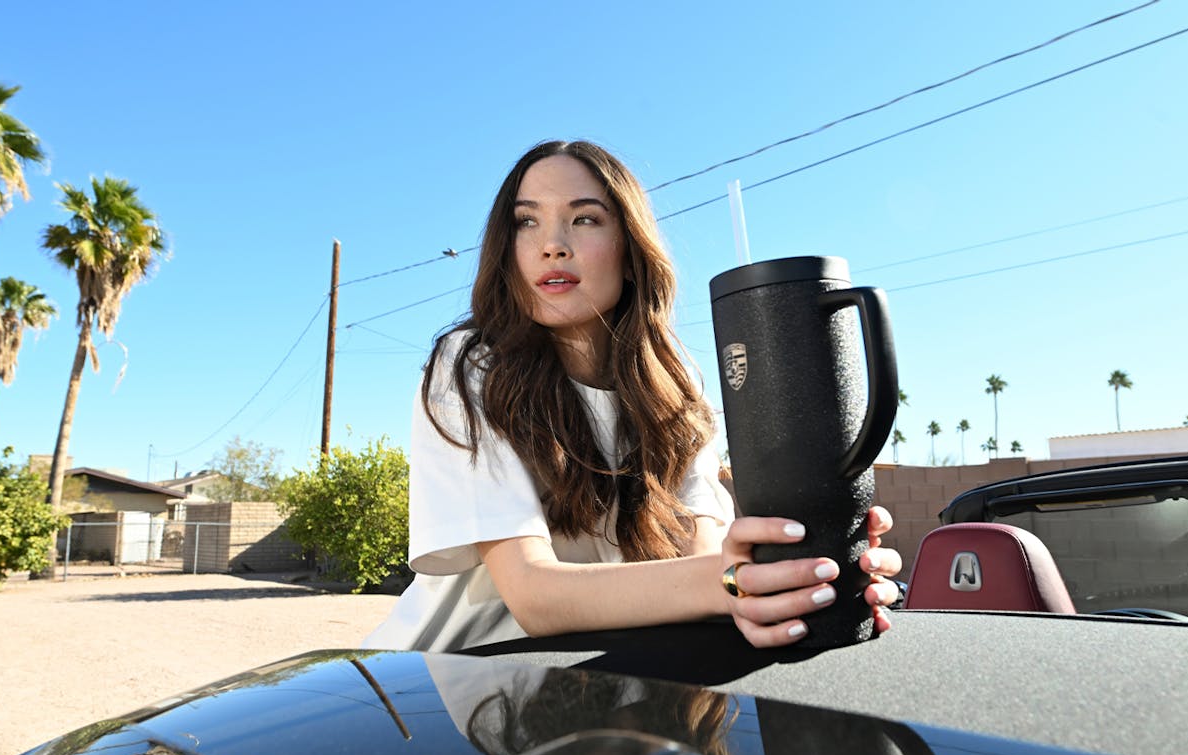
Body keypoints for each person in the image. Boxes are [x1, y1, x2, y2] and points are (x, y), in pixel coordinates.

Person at [364, 140, 901, 653]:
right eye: (527, 221)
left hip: (605, 689)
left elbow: (705, 556)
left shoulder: (673, 384)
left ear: (629, 250)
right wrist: (732, 583)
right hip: (446, 692)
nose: (552, 243)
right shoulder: (470, 365)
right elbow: (533, 596)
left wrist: (801, 579)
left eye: (585, 218)